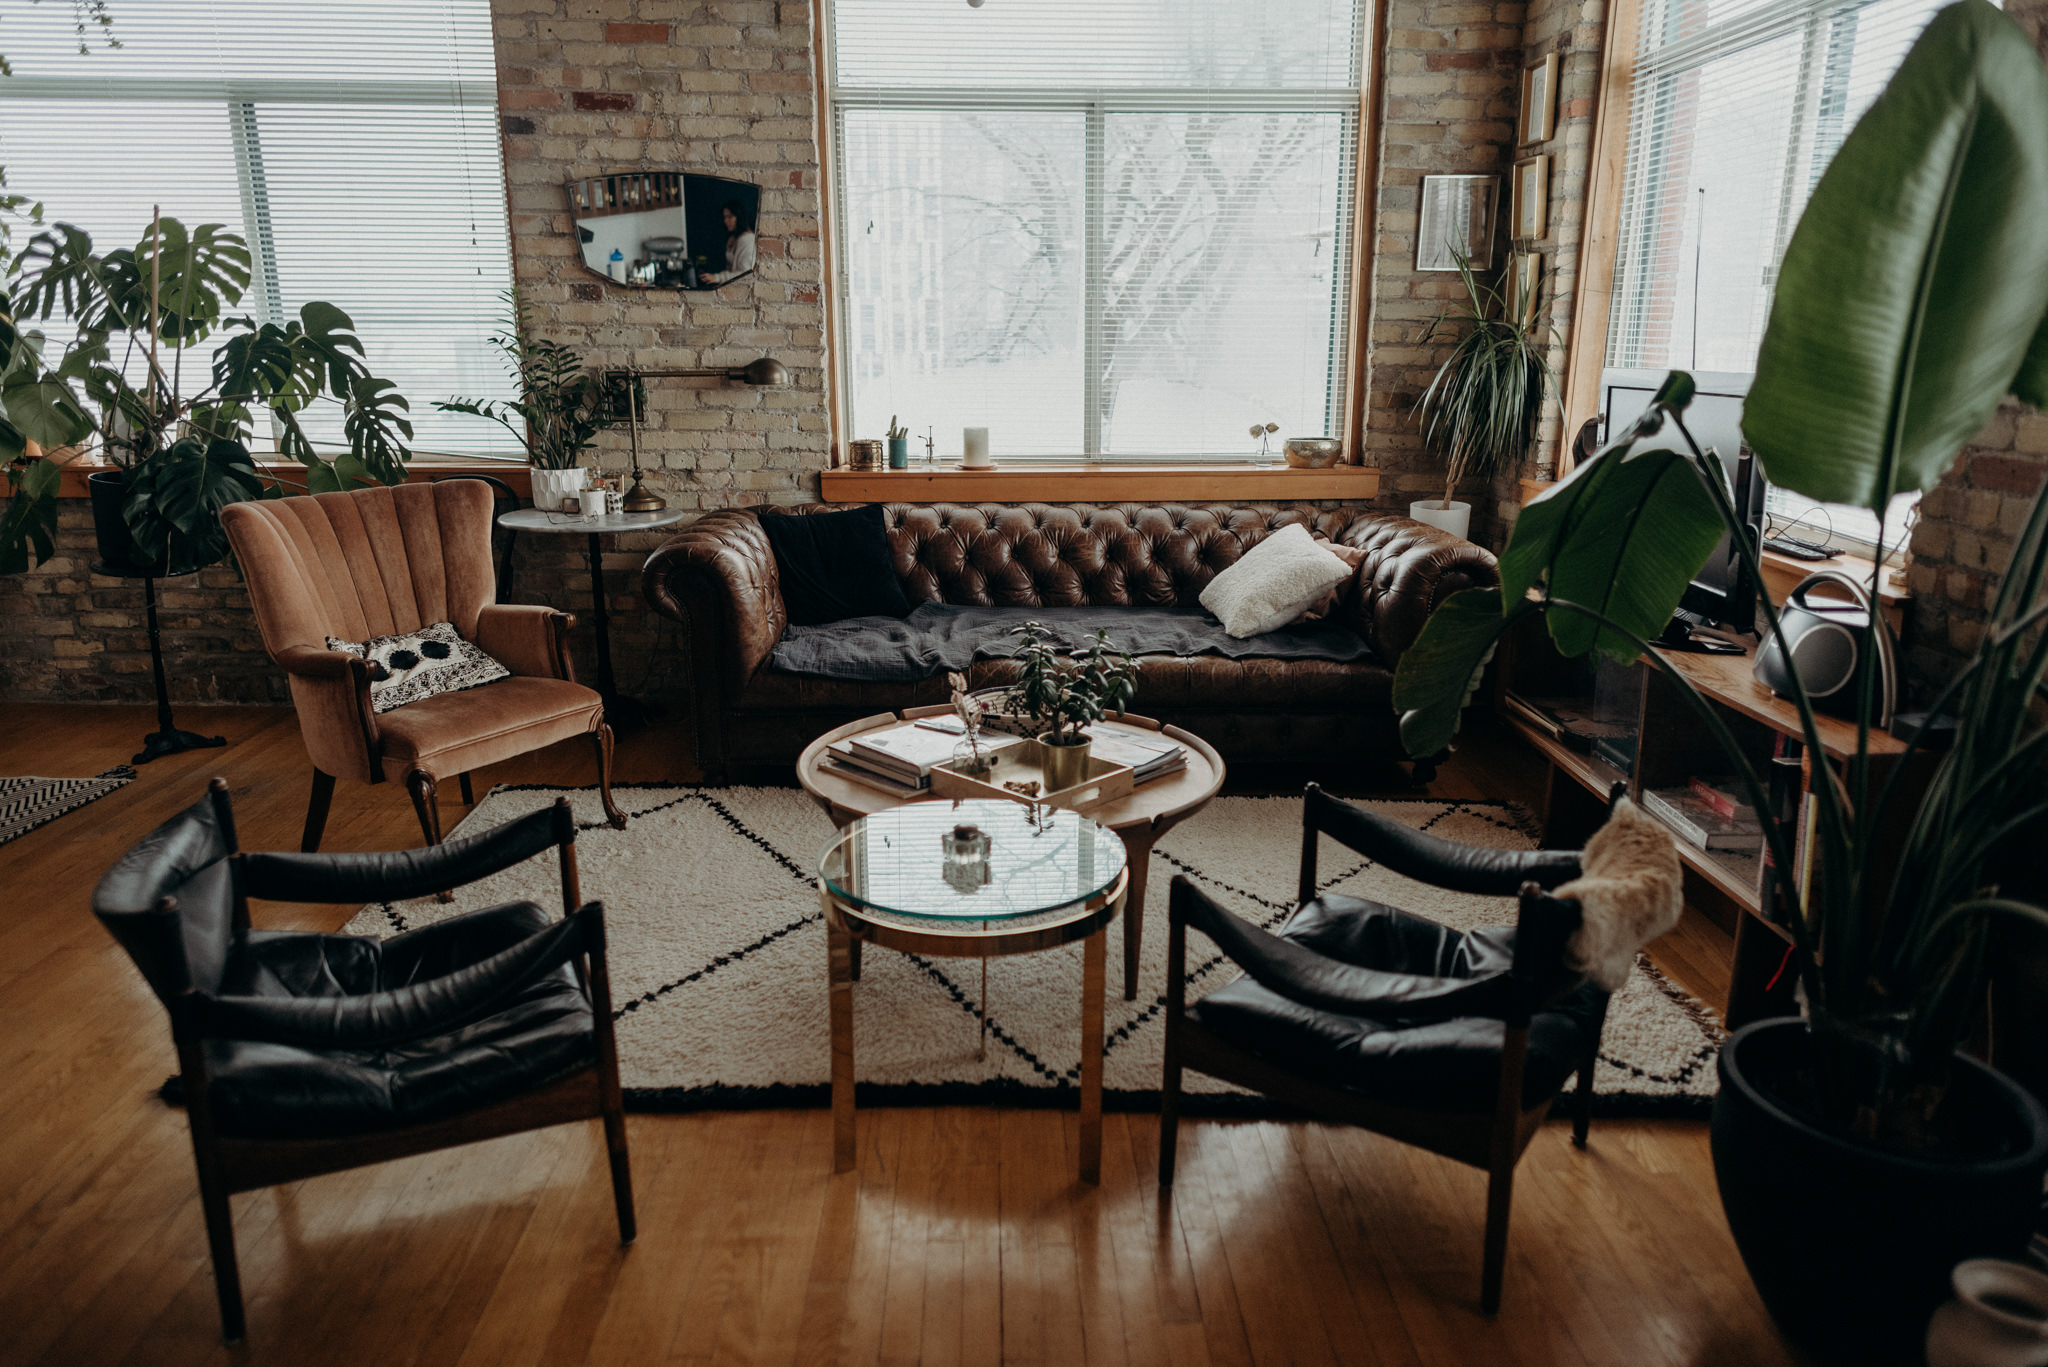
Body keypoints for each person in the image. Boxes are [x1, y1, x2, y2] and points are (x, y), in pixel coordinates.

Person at [698, 199, 757, 284]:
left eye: (730, 217)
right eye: (725, 217)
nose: (725, 221)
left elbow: (745, 274)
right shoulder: (735, 239)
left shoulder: (747, 240)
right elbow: (731, 269)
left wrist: (717, 277)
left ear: (739, 217)